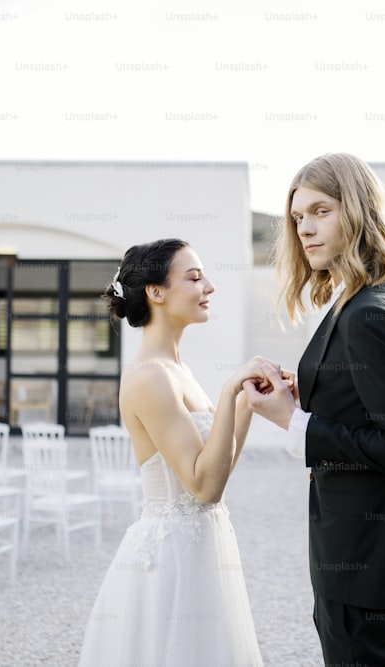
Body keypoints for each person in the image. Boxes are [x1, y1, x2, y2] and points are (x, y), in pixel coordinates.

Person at [243, 153, 385, 666]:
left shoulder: (370, 313)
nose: (305, 229)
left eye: (320, 211)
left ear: (358, 211)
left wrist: (293, 421)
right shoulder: (366, 298)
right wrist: (312, 392)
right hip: (363, 556)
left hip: (367, 569)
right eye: (297, 217)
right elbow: (371, 404)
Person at [77, 238, 265, 667]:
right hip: (171, 559)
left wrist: (247, 403)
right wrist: (229, 387)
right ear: (156, 292)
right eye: (195, 277)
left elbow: (217, 469)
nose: (209, 287)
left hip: (203, 545)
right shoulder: (148, 377)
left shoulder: (178, 371)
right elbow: (204, 487)